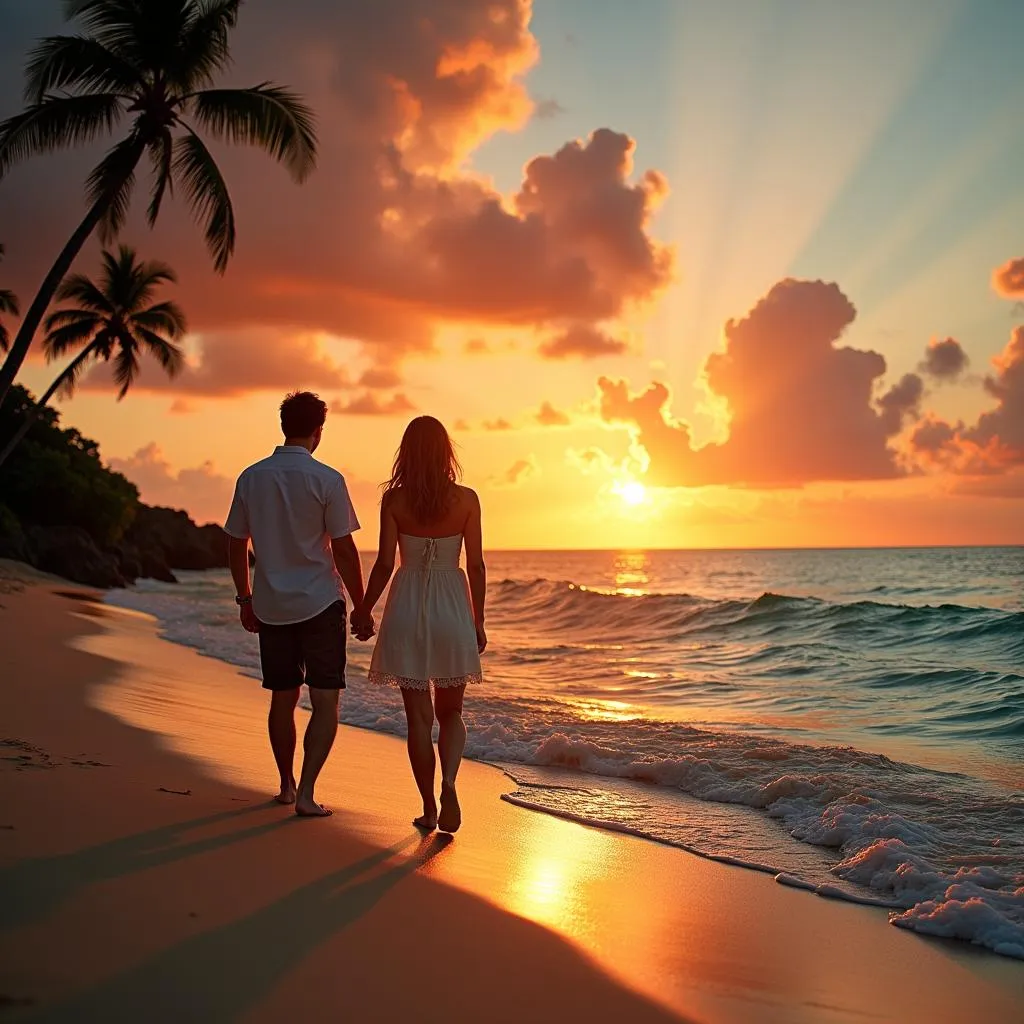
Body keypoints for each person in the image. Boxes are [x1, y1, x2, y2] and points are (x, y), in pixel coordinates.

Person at [224, 391, 366, 818]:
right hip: (321, 602)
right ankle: (306, 792)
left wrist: (244, 598)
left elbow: (235, 543)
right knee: (325, 701)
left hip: (271, 605)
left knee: (282, 699)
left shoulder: (251, 477)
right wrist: (361, 605)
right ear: (318, 430)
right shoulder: (327, 479)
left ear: (284, 426)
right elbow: (343, 548)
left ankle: (285, 785)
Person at [351, 416, 486, 834]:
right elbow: (477, 565)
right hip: (452, 608)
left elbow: (386, 565)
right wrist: (478, 621)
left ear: (405, 453)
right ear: (447, 452)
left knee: (417, 720)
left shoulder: (394, 501)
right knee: (452, 711)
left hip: (408, 605)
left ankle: (429, 807)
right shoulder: (466, 499)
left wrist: (363, 609)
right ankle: (448, 781)